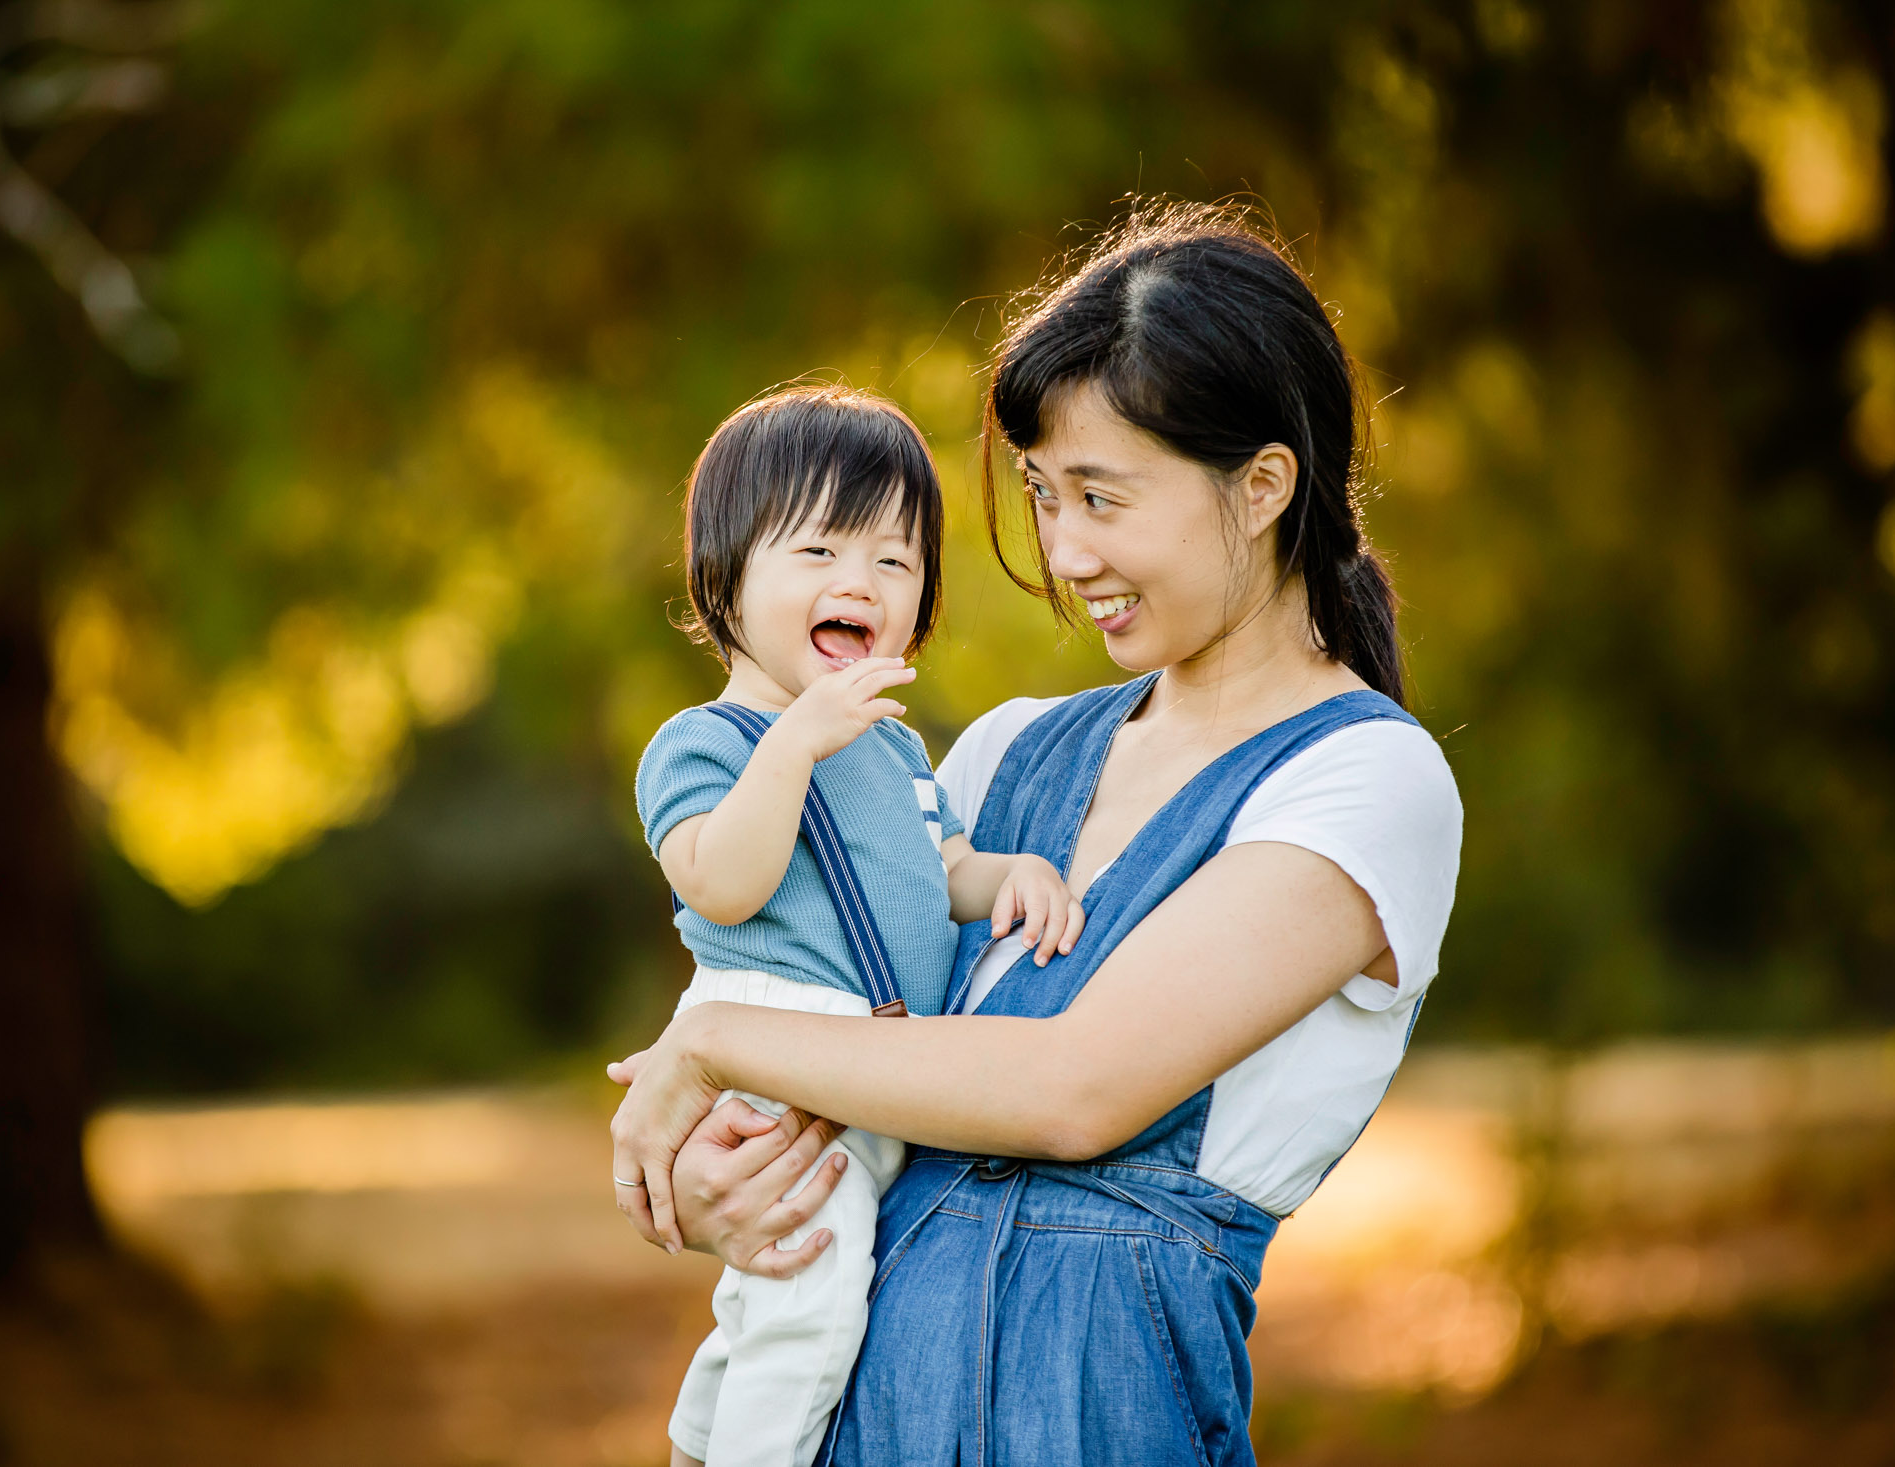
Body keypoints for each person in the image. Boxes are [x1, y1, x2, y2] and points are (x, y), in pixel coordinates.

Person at [611, 205, 1464, 1465]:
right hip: (864, 1417)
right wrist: (723, 1184)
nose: (1063, 553)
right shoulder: (1007, 751)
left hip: (1093, 1411)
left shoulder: (1365, 781)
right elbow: (850, 1033)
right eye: (1039, 494)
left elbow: (1076, 1092)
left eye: (1101, 497)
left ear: (1265, 485)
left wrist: (715, 1043)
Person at [632, 384, 1081, 1467]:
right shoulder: (705, 743)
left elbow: (933, 871)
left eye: (894, 560)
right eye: (820, 550)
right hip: (779, 1047)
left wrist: (1002, 873)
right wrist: (793, 745)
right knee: (810, 1300)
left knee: (781, 1290)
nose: (861, 582)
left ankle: (702, 1446)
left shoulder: (890, 747)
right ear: (724, 575)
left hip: (873, 1059)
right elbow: (720, 883)